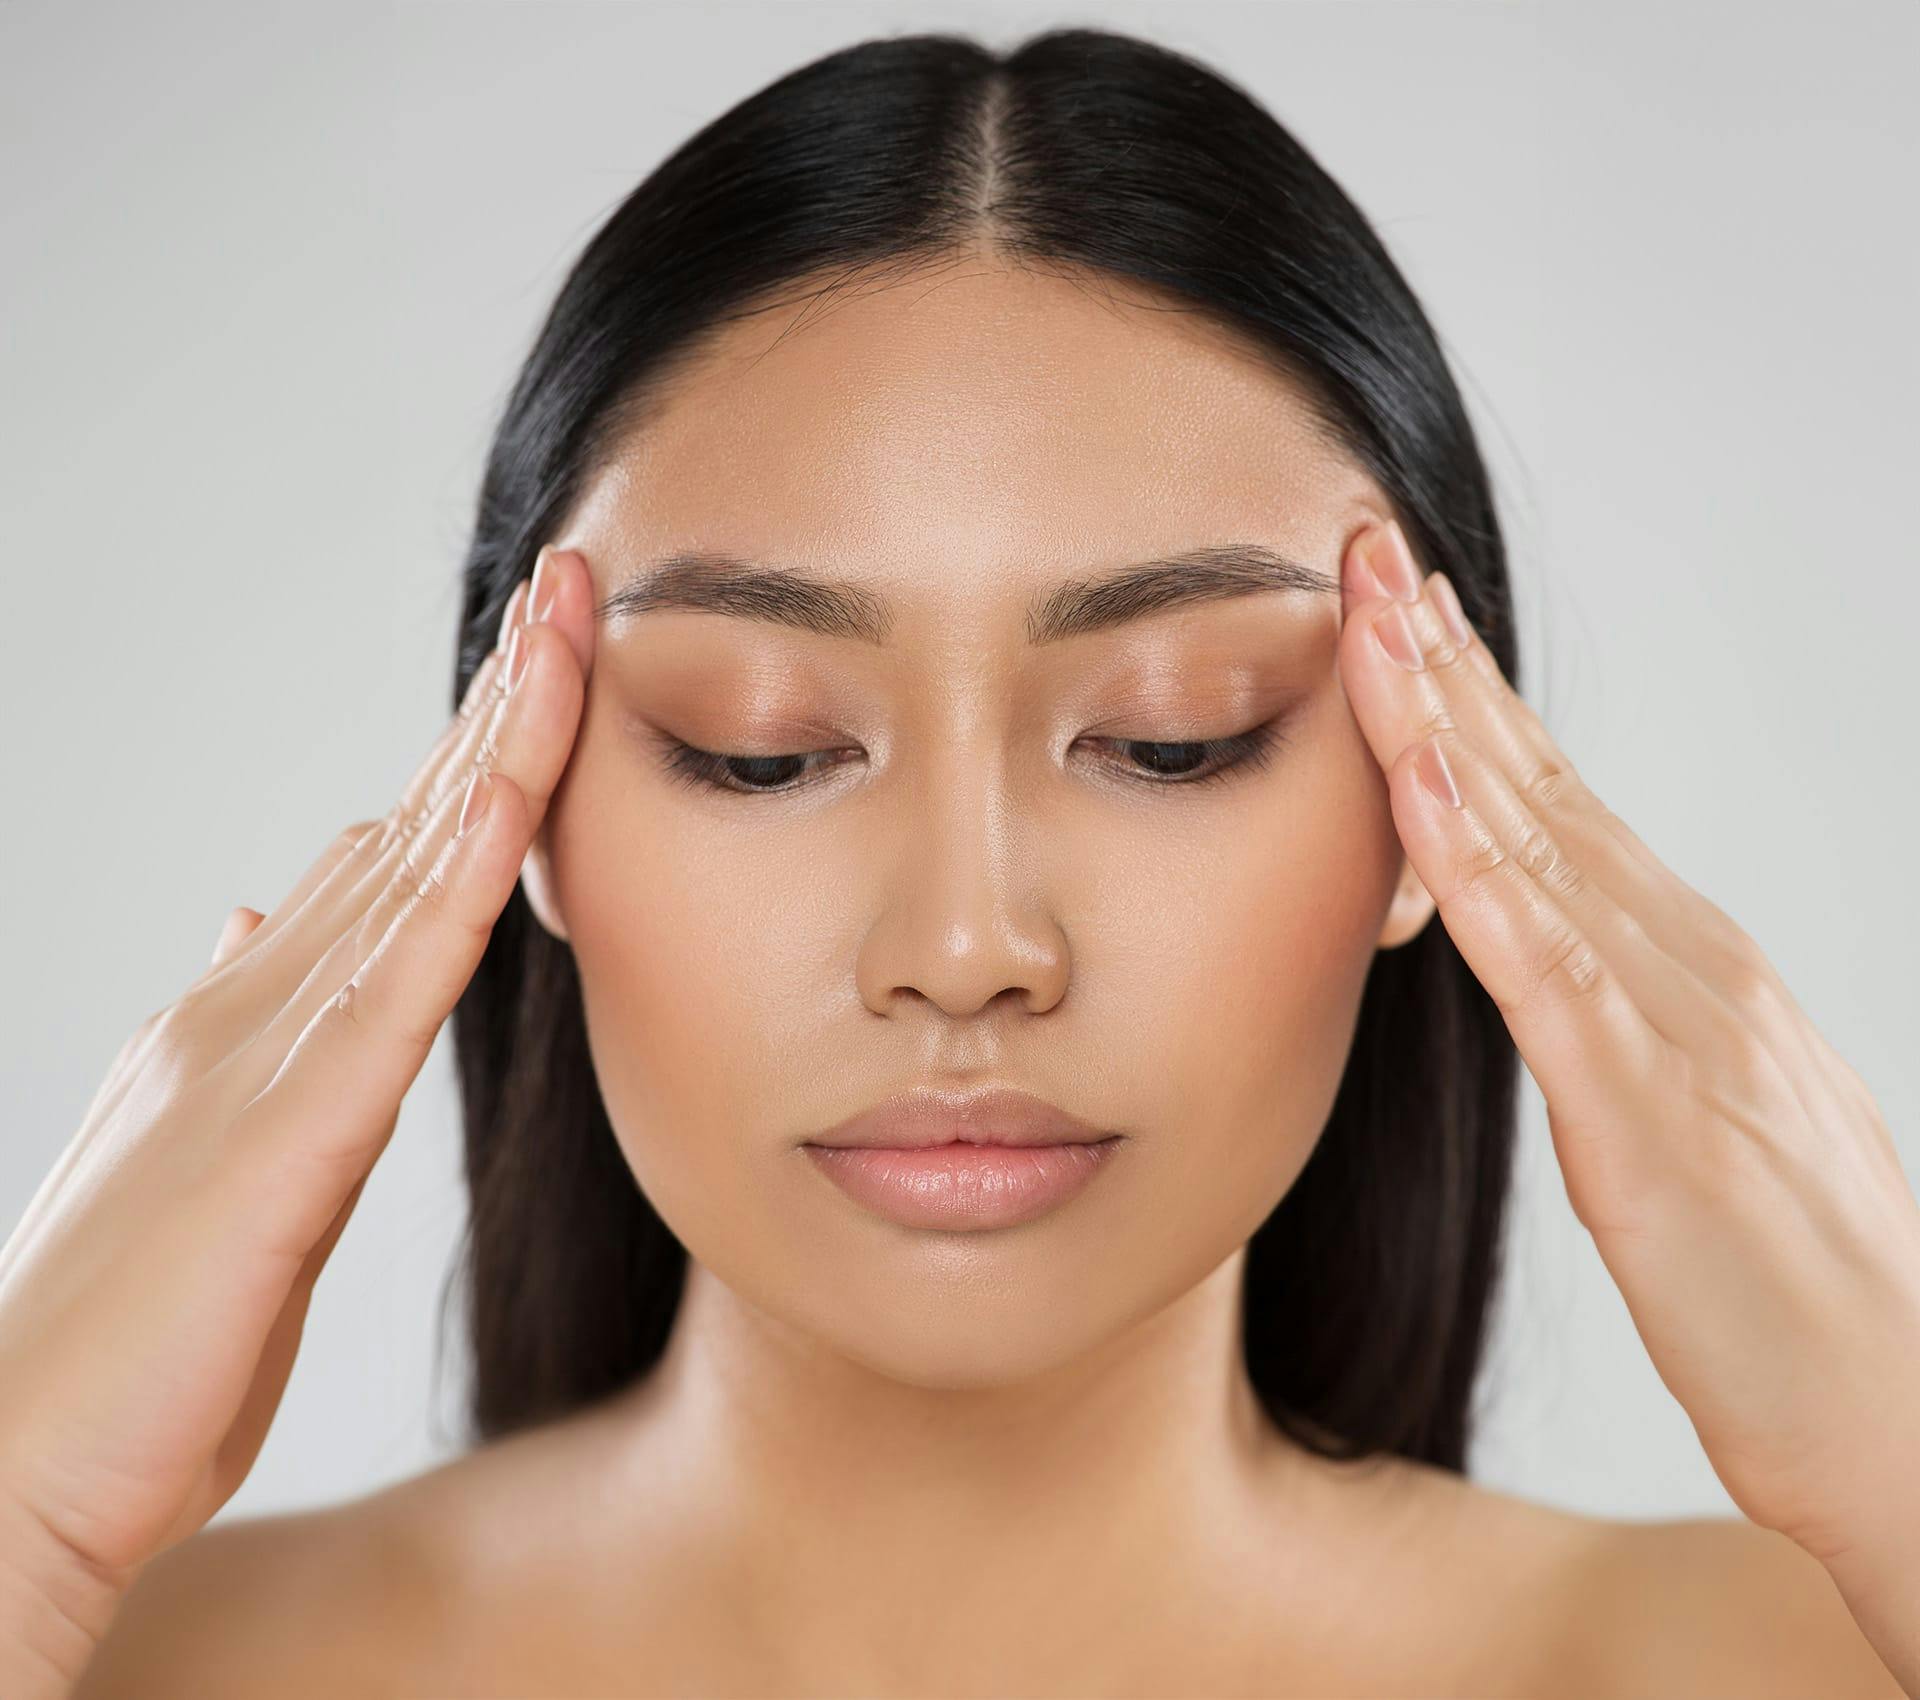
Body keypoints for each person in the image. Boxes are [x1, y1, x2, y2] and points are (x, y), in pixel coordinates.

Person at [3, 26, 1911, 1699]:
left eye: (1175, 732)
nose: (970, 944)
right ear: (532, 818)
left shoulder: (1786, 1659)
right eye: (761, 745)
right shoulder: (134, 1662)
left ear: (1434, 809)